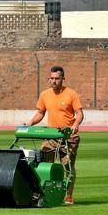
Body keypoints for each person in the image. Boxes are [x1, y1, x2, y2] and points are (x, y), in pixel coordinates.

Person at [26, 66, 84, 205]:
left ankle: (68, 196)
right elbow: (40, 113)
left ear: (63, 79)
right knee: (44, 165)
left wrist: (75, 125)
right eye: (51, 78)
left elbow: (80, 113)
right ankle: (42, 193)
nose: (54, 81)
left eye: (57, 78)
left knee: (68, 167)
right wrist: (30, 123)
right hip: (50, 136)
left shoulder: (71, 94)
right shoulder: (45, 94)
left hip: (68, 137)